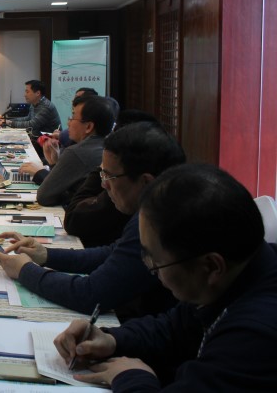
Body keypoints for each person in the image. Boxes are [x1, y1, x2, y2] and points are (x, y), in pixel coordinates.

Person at [54, 164, 277, 391]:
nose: (150, 269)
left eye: (155, 261)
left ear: (211, 266)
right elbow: (174, 328)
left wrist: (132, 377)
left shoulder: (255, 339)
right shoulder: (234, 274)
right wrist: (113, 339)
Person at [0, 122, 185, 322]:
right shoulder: (157, 207)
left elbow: (91, 294)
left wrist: (25, 271)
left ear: (145, 182)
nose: (103, 184)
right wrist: (46, 255)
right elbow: (111, 253)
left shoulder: (159, 223)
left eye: (109, 176)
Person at [63, 109, 160, 247]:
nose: (104, 184)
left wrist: (101, 169)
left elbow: (73, 220)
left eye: (73, 116)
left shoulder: (146, 214)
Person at [22, 95, 115, 206]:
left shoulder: (77, 152)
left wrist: (40, 173)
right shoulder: (109, 146)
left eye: (73, 117)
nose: (68, 123)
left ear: (88, 127)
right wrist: (54, 164)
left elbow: (44, 196)